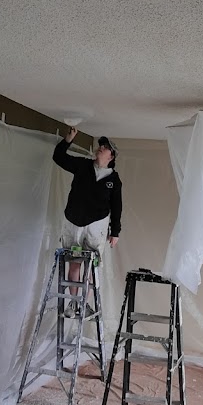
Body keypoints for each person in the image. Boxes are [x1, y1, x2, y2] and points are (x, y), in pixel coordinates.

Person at [52, 127, 122, 316]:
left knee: (91, 266)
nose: (100, 148)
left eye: (105, 147)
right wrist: (68, 139)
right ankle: (73, 304)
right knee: (74, 263)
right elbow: (59, 157)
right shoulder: (83, 166)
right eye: (100, 146)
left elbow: (117, 206)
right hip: (74, 222)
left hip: (97, 227)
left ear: (112, 156)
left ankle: (84, 303)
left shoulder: (114, 180)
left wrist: (115, 232)